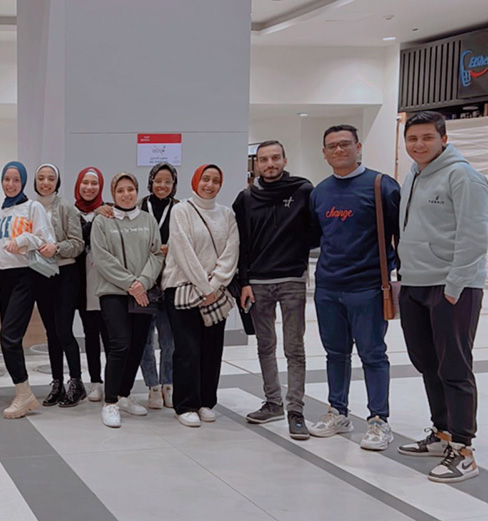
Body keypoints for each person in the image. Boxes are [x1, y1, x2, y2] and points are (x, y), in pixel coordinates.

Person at [396, 111, 488, 482]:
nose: (418, 144)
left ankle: (463, 449)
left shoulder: (462, 176)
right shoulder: (413, 175)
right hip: (414, 283)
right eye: (412, 138)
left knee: (454, 367)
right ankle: (443, 432)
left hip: (451, 288)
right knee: (427, 362)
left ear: (444, 139)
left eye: (427, 138)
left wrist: (455, 285)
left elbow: (476, 234)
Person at [308, 124, 400, 450]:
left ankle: (378, 420)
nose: (339, 150)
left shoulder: (381, 185)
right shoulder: (320, 192)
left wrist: (398, 274)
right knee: (335, 353)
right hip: (328, 286)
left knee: (372, 354)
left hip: (368, 286)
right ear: (324, 153)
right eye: (332, 146)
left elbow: (400, 233)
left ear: (358, 147)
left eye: (345, 144)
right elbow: (317, 236)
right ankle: (338, 411)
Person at [233, 141, 315, 440]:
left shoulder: (303, 191)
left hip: (292, 280)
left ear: (284, 160)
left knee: (295, 348)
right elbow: (240, 244)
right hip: (258, 283)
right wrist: (244, 282)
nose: (270, 164)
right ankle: (272, 403)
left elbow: (316, 231)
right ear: (256, 164)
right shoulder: (246, 198)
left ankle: (296, 411)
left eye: (275, 158)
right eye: (264, 159)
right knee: (265, 346)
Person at [162, 164, 239, 428]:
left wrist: (215, 285)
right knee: (187, 350)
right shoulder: (181, 210)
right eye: (205, 179)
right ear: (196, 181)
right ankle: (185, 405)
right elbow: (182, 251)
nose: (210, 185)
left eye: (215, 180)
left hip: (216, 291)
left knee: (212, 349)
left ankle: (206, 401)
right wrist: (205, 288)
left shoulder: (227, 214)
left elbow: (231, 252)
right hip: (183, 288)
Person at [90, 172, 164, 428]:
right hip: (113, 291)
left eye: (130, 189)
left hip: (143, 291)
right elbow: (102, 258)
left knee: (137, 345)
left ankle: (124, 394)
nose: (126, 194)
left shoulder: (147, 219)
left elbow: (156, 254)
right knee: (119, 345)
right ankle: (110, 402)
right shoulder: (102, 221)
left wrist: (143, 282)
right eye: (120, 190)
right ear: (113, 194)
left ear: (137, 191)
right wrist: (131, 284)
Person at [0, 161, 55, 419]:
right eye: (6, 179)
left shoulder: (33, 207)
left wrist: (23, 239)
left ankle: (24, 393)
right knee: (11, 338)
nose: (10, 184)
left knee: (8, 337)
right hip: (3, 277)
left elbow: (47, 241)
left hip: (25, 276)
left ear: (23, 182)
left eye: (16, 180)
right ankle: (22, 392)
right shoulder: (1, 210)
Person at [33, 164, 85, 407]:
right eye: (41, 178)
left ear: (57, 182)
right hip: (41, 274)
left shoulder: (66, 207)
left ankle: (76, 382)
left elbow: (77, 243)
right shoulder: (30, 207)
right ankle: (57, 383)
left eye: (50, 178)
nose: (46, 183)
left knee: (64, 330)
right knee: (51, 333)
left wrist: (57, 248)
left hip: (65, 274)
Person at [138, 163, 179, 410]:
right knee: (144, 340)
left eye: (168, 181)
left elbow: (186, 240)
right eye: (158, 180)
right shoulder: (139, 207)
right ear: (151, 181)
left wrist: (170, 249)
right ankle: (152, 386)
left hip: (170, 281)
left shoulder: (180, 208)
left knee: (169, 340)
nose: (162, 185)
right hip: (145, 281)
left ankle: (168, 384)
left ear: (174, 184)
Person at [73, 167, 111, 403]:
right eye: (85, 183)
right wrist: (96, 215)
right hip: (81, 284)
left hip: (107, 282)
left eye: (94, 183)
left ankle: (112, 381)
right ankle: (95, 381)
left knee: (110, 335)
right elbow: (78, 239)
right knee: (90, 334)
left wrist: (99, 213)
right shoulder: (71, 212)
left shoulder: (109, 211)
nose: (89, 187)